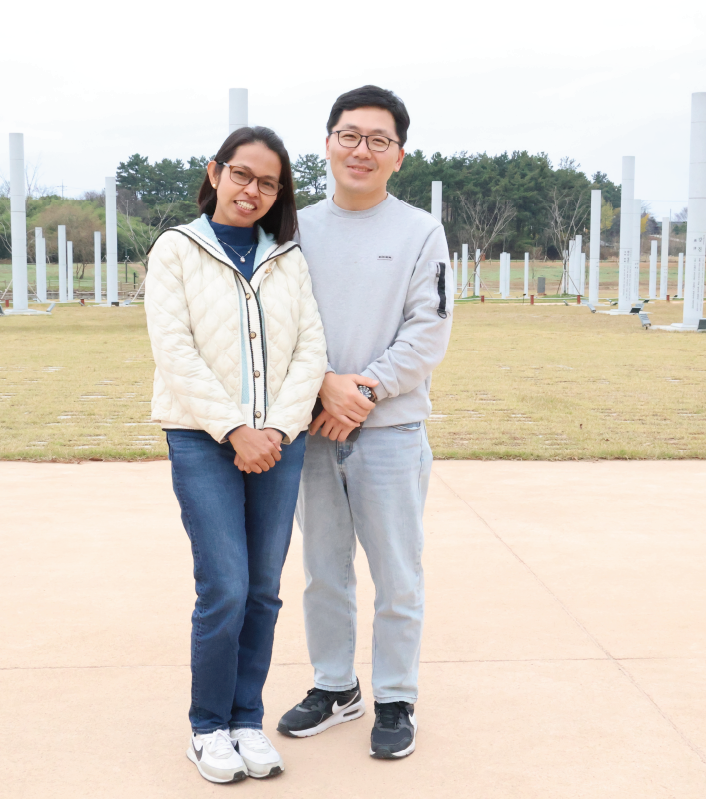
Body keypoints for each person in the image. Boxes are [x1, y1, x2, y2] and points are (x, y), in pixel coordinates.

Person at [144, 126, 327, 784]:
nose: (253, 190)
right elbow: (174, 350)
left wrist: (275, 429)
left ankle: (247, 719)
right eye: (242, 174)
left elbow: (311, 349)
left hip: (279, 441)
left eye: (268, 183)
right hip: (201, 438)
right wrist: (234, 430)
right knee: (224, 587)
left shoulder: (288, 257)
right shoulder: (176, 249)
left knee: (263, 591)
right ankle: (207, 728)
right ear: (215, 172)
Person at [276, 86, 453, 759]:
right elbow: (278, 323)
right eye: (350, 135)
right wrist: (324, 386)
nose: (362, 150)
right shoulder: (292, 229)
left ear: (398, 156)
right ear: (327, 143)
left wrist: (364, 392)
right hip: (312, 428)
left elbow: (428, 329)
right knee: (323, 571)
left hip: (390, 433)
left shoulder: (420, 231)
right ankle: (334, 686)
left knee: (397, 574)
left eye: (379, 140)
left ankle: (396, 696)